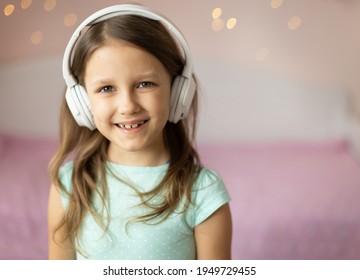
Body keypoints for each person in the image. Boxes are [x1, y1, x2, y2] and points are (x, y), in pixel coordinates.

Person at [47, 4, 232, 260]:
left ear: (179, 92)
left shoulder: (203, 193)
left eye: (145, 84)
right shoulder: (69, 185)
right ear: (82, 102)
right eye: (106, 88)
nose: (128, 106)